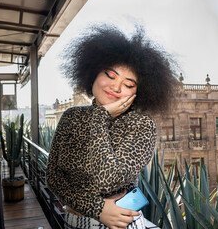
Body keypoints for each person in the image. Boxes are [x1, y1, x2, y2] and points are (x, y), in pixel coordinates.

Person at [46, 24, 178, 229]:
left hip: (121, 224)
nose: (116, 88)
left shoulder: (141, 125)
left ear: (139, 92)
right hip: (72, 222)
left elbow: (107, 180)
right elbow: (53, 178)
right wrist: (98, 208)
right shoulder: (71, 116)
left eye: (128, 84)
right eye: (110, 75)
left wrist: (100, 117)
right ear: (94, 72)